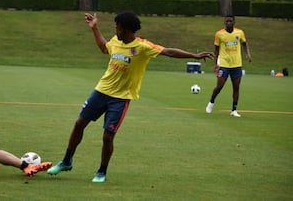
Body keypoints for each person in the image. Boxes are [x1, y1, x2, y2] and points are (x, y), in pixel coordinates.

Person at [47, 11, 214, 182]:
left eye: (117, 28)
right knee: (79, 124)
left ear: (125, 30)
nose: (116, 30)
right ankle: (67, 161)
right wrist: (95, 28)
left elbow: (168, 52)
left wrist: (194, 56)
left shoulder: (142, 47)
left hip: (120, 98)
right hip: (101, 91)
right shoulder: (116, 40)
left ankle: (101, 172)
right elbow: (104, 48)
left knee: (107, 136)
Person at [205, 15, 252, 117]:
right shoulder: (219, 34)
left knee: (236, 88)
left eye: (230, 21)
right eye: (227, 21)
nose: (228, 23)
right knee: (219, 86)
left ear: (234, 22)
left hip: (237, 65)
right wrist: (216, 64)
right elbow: (216, 50)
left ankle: (234, 110)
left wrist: (248, 54)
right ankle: (211, 102)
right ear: (224, 22)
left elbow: (244, 43)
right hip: (224, 64)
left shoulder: (239, 33)